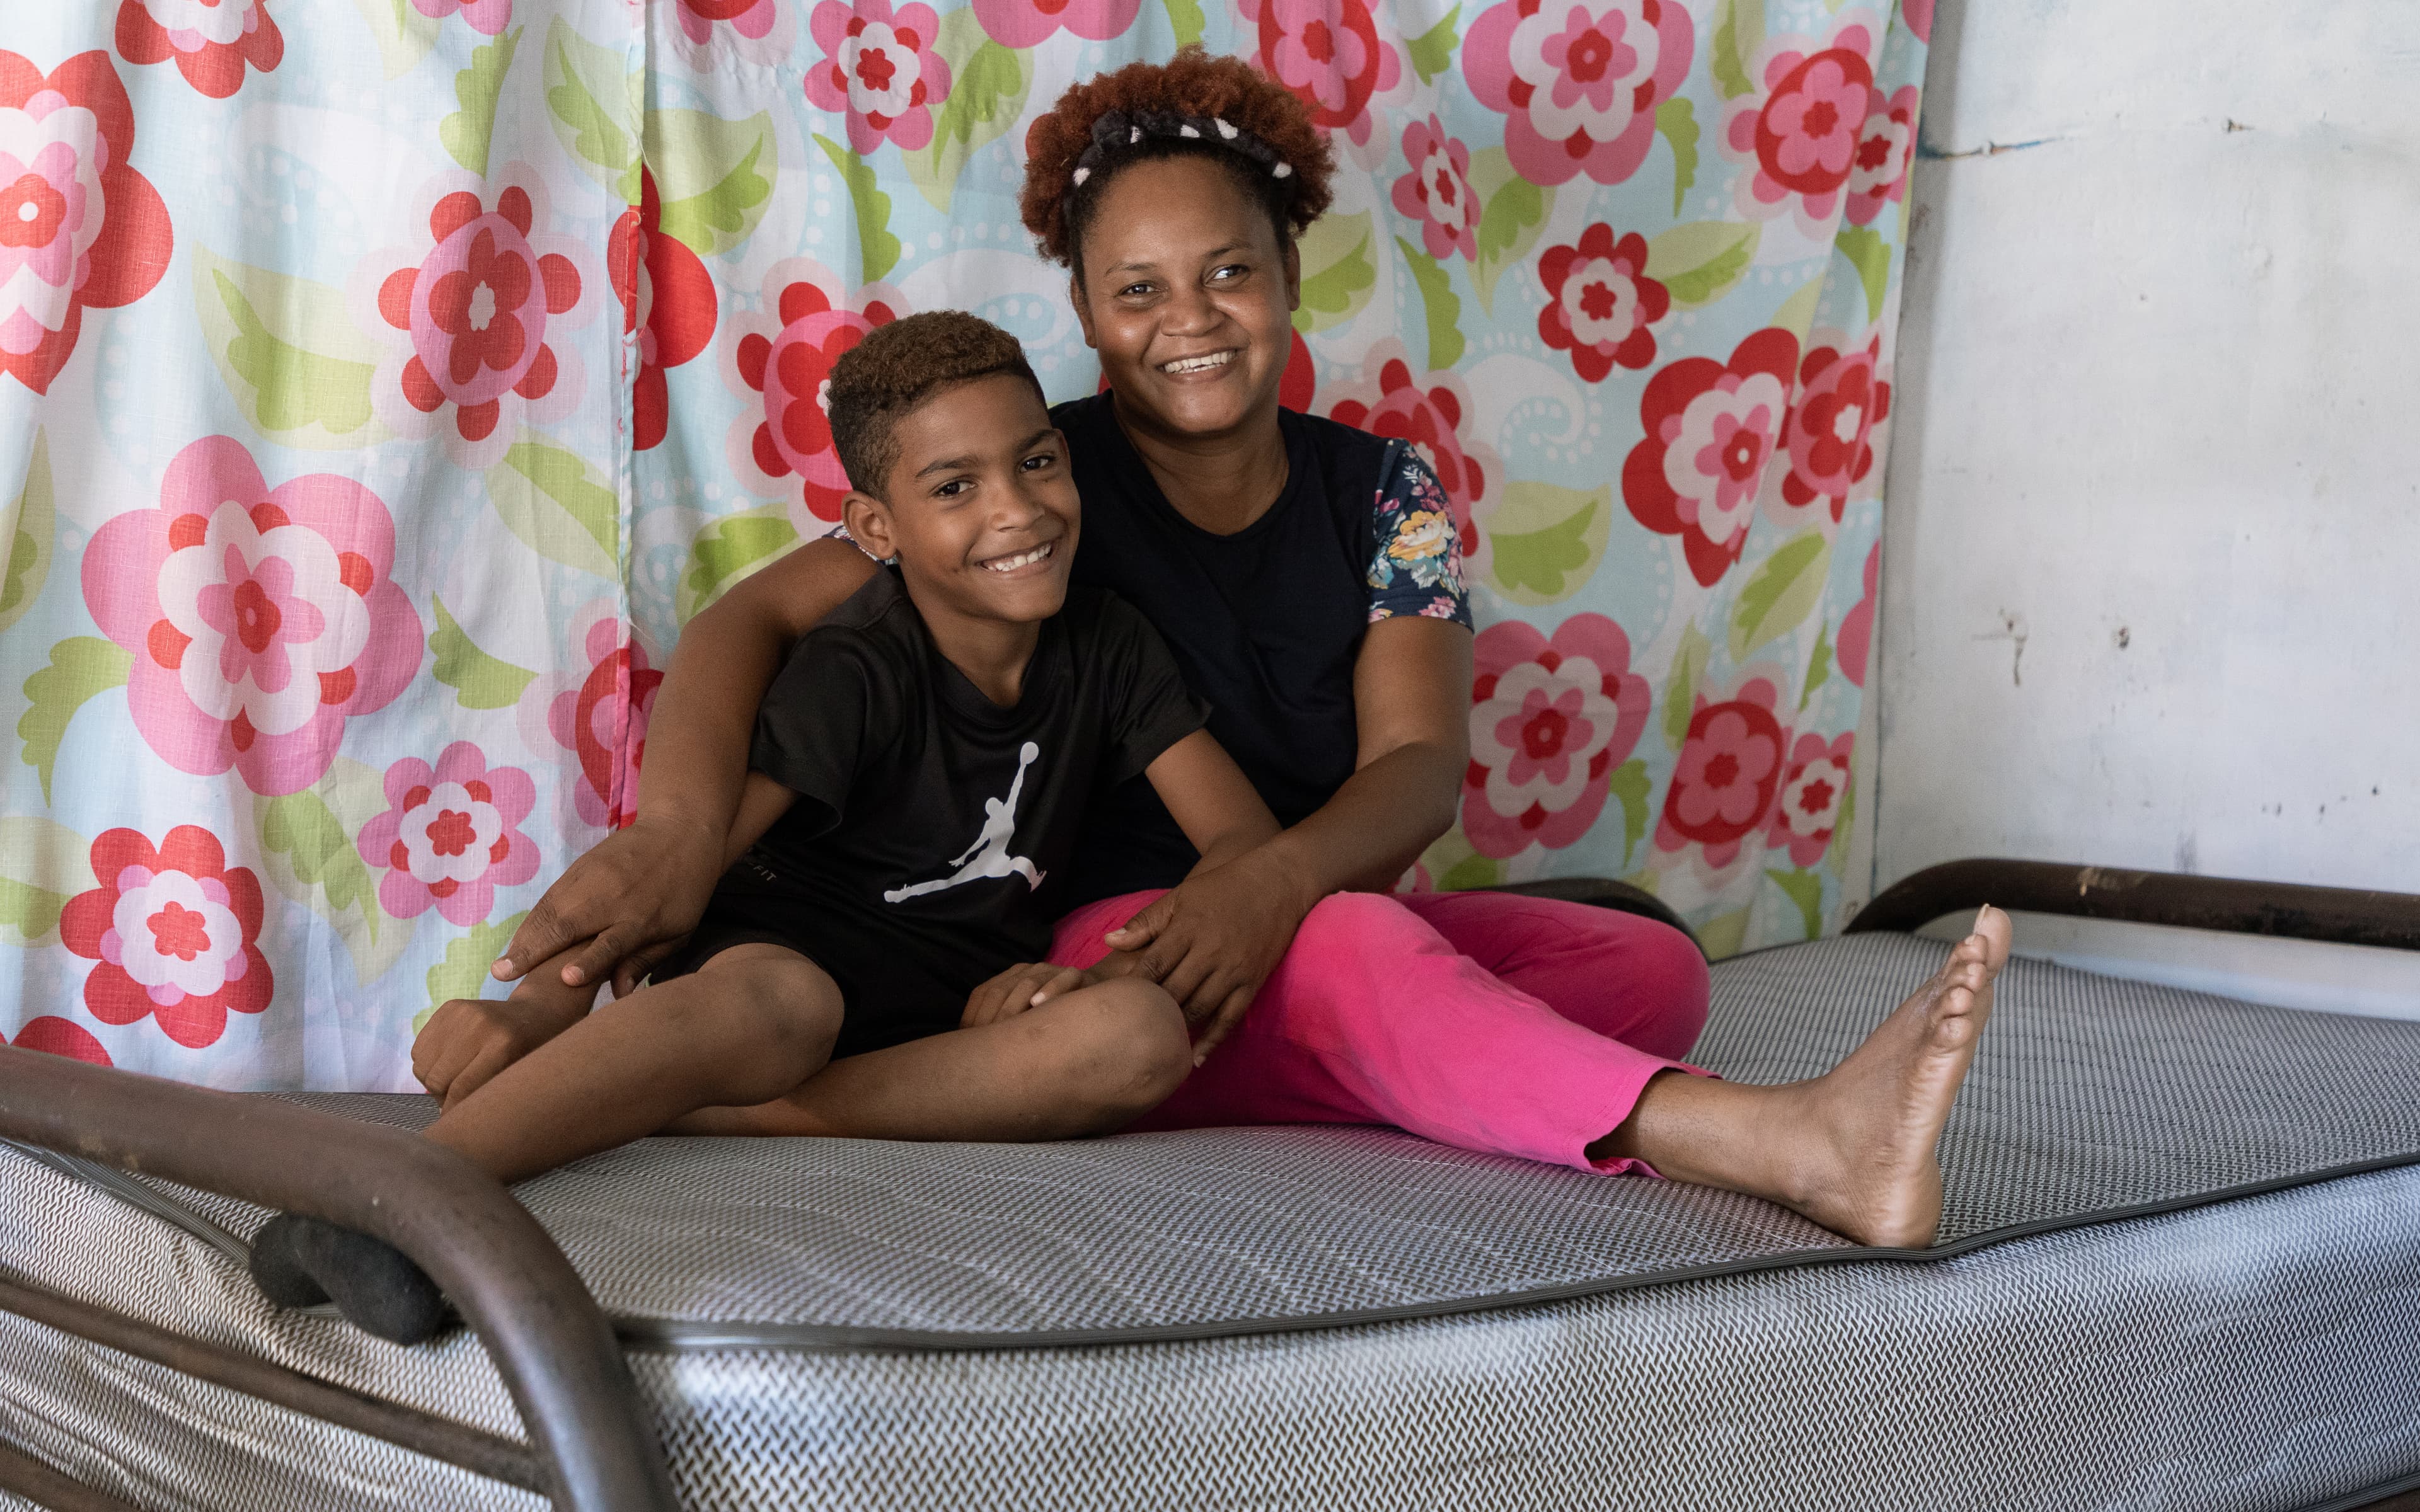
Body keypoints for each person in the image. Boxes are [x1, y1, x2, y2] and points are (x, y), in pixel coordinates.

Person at [491, 50, 2015, 1256]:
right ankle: (1783, 1144)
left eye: (1226, 272)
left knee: (1646, 967)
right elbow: (758, 615)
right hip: (1105, 947)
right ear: (1085, 310)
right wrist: (682, 835)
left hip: (1276, 900)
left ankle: (1379, 1043)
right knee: (1357, 943)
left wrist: (1271, 880)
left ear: (1289, 271)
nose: (1189, 321)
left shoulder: (1388, 495)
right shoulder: (1045, 486)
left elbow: (1417, 766)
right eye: (1137, 291)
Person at [246, 312, 1281, 1343]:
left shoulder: (1112, 645)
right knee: (782, 1005)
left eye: (1038, 462)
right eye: (955, 488)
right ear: (876, 530)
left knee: (1139, 1037)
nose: (1017, 511)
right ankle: (396, 1198)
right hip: (778, 961)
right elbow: (682, 875)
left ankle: (692, 1106)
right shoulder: (860, 665)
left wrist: (1097, 978)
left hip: (938, 1018)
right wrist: (532, 1018)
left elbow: (1238, 841)